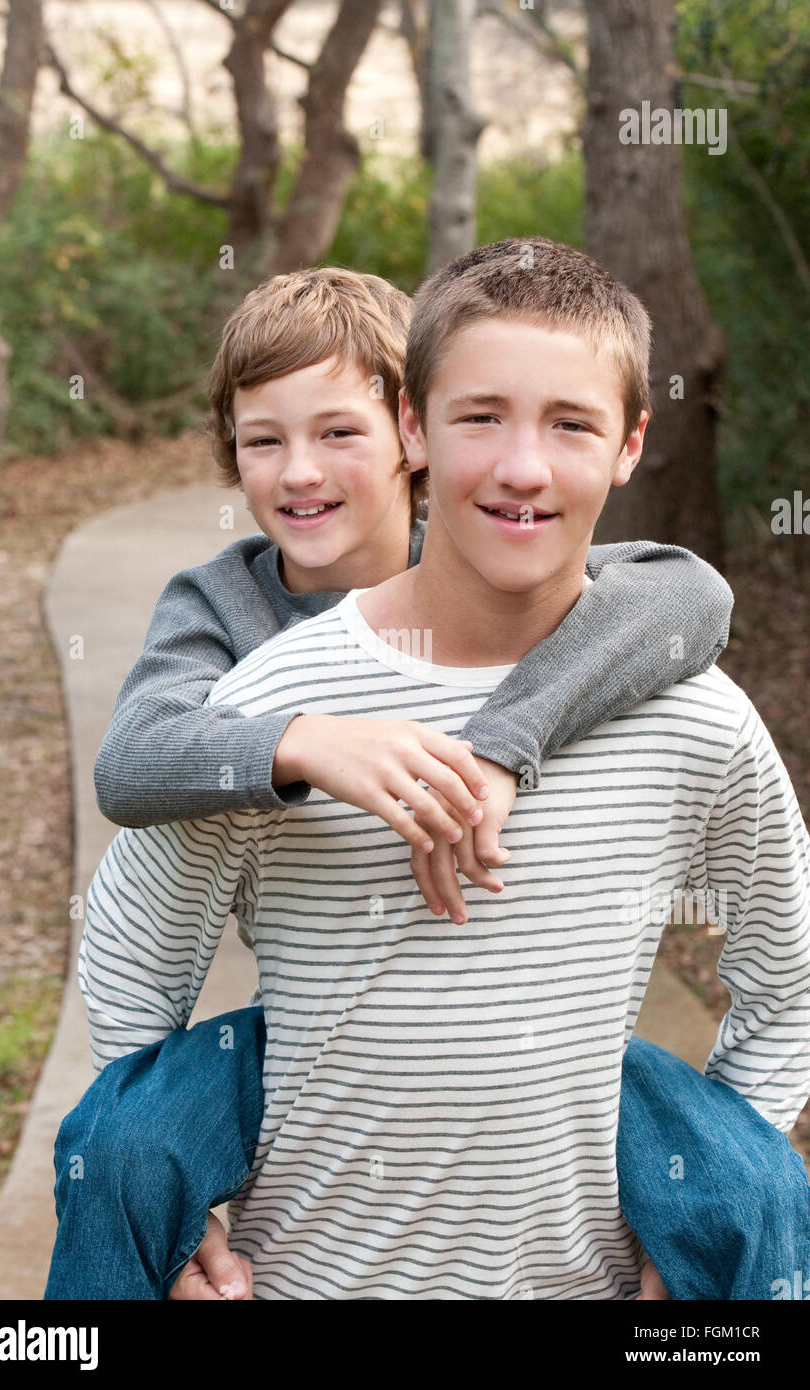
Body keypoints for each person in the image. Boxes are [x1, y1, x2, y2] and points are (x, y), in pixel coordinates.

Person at [46, 249, 810, 1300]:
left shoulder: (682, 704)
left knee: (759, 1191)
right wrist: (175, 1221)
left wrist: (697, 1220)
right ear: (419, 425)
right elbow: (138, 924)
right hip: (304, 1265)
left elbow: (787, 970)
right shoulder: (254, 677)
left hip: (579, 1251)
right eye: (480, 416)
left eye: (571, 424)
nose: (522, 467)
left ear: (631, 441)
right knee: (113, 1155)